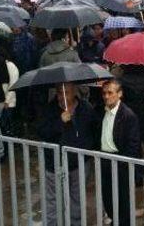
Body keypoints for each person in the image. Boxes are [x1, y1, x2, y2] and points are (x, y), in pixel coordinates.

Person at [37, 83, 99, 226]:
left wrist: (89, 151)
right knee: (53, 201)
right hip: (55, 163)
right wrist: (60, 122)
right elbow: (42, 132)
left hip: (79, 163)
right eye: (59, 92)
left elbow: (94, 129)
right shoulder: (49, 109)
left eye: (67, 92)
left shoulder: (85, 108)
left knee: (77, 199)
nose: (63, 96)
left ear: (74, 92)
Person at [99, 80, 141, 225]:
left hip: (120, 162)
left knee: (123, 201)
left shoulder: (128, 116)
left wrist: (124, 163)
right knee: (108, 199)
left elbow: (133, 145)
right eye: (104, 93)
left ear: (119, 94)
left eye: (110, 92)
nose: (106, 96)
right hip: (104, 160)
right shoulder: (101, 111)